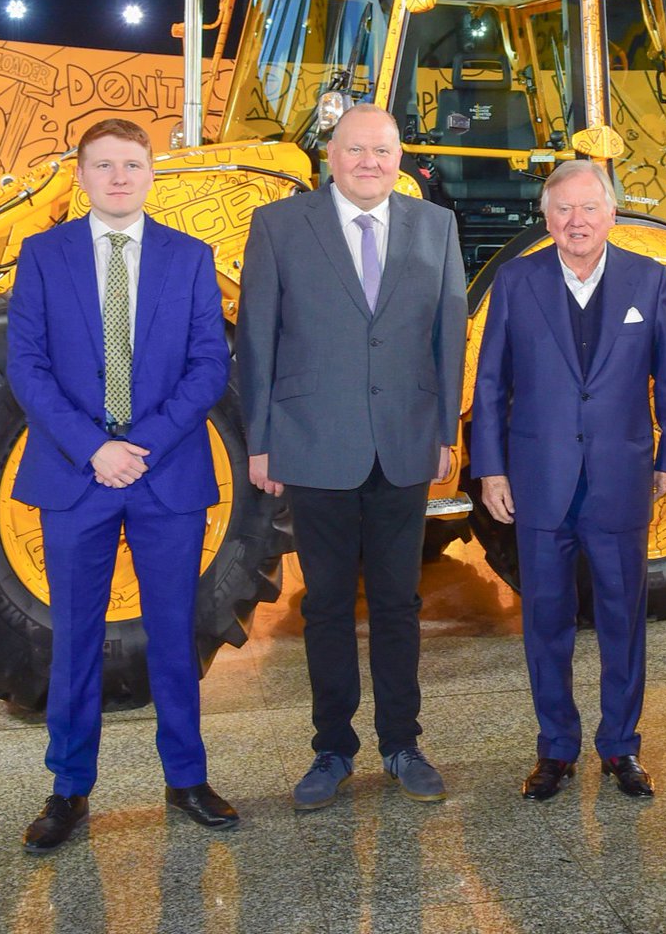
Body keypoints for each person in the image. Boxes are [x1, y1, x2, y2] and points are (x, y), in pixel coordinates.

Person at [7, 118, 235, 853]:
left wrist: (140, 445)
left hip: (165, 475)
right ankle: (69, 790)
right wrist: (95, 450)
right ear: (80, 175)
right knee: (76, 642)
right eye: (102, 166)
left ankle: (188, 779)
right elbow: (27, 368)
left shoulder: (191, 258)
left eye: (131, 165)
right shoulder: (41, 257)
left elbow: (210, 365)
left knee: (174, 635)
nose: (117, 178)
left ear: (150, 173)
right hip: (78, 480)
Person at [237, 104, 465, 810]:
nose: (371, 162)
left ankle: (403, 742)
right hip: (312, 442)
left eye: (384, 151)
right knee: (329, 606)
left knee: (399, 603)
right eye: (357, 150)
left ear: (402, 158)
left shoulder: (436, 226)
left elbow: (449, 330)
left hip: (402, 440)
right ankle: (332, 748)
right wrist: (261, 439)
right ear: (329, 156)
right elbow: (258, 338)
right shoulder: (281, 226)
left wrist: (444, 432)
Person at [470, 160, 666, 801]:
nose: (576, 221)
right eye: (563, 210)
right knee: (545, 619)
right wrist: (490, 469)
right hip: (539, 481)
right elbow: (490, 386)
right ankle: (556, 749)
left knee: (624, 616)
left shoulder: (647, 279)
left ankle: (621, 746)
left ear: (611, 213)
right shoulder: (516, 281)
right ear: (546, 218)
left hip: (620, 478)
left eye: (588, 208)